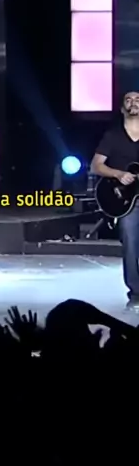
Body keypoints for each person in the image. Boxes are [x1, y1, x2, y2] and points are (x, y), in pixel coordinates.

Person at [91, 91, 139, 310]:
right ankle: (136, 292)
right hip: (126, 200)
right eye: (128, 100)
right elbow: (96, 165)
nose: (133, 103)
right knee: (130, 243)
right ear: (122, 108)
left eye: (138, 99)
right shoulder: (113, 135)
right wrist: (118, 174)